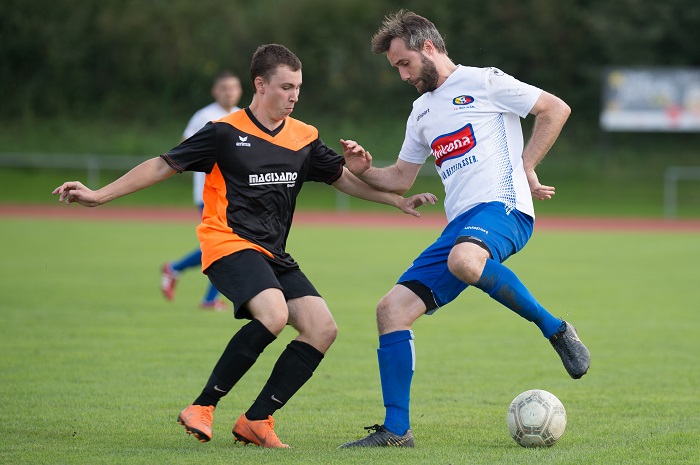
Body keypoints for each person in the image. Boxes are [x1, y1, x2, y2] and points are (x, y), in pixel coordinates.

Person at [53, 43, 437, 449]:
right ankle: (202, 406)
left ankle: (257, 420)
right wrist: (98, 195)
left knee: (322, 328)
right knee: (273, 313)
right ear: (260, 84)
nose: (294, 96)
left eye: (298, 88)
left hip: (274, 254)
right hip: (227, 241)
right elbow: (163, 164)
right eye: (286, 87)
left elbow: (342, 178)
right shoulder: (223, 131)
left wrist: (395, 200)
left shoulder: (304, 137)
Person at [338, 10, 590, 448]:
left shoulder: (485, 81)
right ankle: (396, 431)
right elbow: (400, 178)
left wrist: (526, 166)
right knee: (391, 311)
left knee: (464, 259)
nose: (403, 76)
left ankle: (555, 329)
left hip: (504, 208)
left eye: (405, 63)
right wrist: (364, 170)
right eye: (397, 67)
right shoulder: (420, 112)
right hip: (460, 225)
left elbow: (555, 109)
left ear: (428, 47)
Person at [161, 71, 243, 311]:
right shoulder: (204, 116)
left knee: (226, 244)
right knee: (224, 244)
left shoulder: (242, 116)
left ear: (240, 91)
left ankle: (179, 273)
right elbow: (183, 148)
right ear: (215, 91)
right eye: (224, 88)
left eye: (233, 87)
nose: (229, 92)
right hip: (209, 193)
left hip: (235, 192)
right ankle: (203, 294)